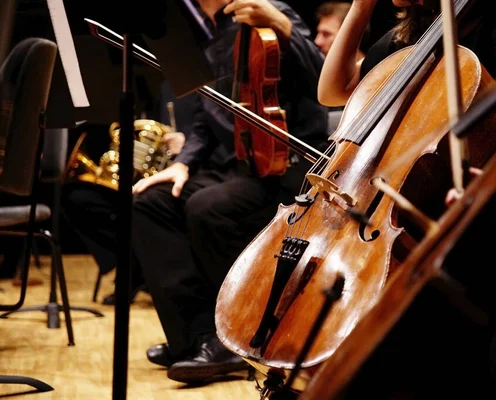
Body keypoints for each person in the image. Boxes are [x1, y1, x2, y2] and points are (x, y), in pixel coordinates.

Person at [316, 0, 496, 397]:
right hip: (397, 206)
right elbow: (333, 92)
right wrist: (359, 8)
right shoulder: (402, 39)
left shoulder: (493, 25)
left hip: (466, 209)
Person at [131, 0, 328, 384]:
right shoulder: (207, 36)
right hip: (235, 167)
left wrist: (282, 25)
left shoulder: (271, 11)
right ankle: (196, 337)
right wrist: (182, 163)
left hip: (286, 169)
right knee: (151, 203)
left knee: (210, 208)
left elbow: (324, 82)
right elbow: (204, 121)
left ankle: (235, 337)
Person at [61, 80, 197, 305]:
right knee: (76, 198)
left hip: (188, 174)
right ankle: (134, 267)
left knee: (139, 206)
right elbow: (156, 131)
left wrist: (186, 145)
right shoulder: (166, 86)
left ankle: (132, 275)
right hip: (155, 175)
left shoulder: (208, 85)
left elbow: (209, 136)